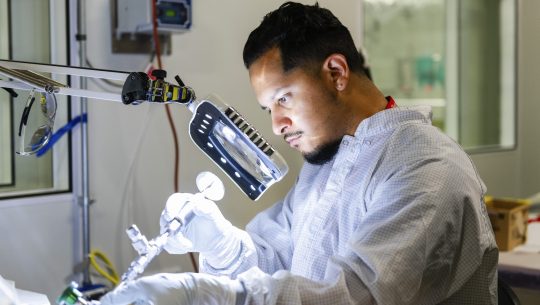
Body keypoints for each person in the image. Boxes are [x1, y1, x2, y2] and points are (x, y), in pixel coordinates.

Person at [100, 2, 498, 305]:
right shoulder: (329, 162)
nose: (277, 124)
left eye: (284, 98)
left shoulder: (426, 167)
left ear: (336, 73)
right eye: (268, 108)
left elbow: (355, 295)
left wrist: (210, 295)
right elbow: (278, 260)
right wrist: (224, 246)